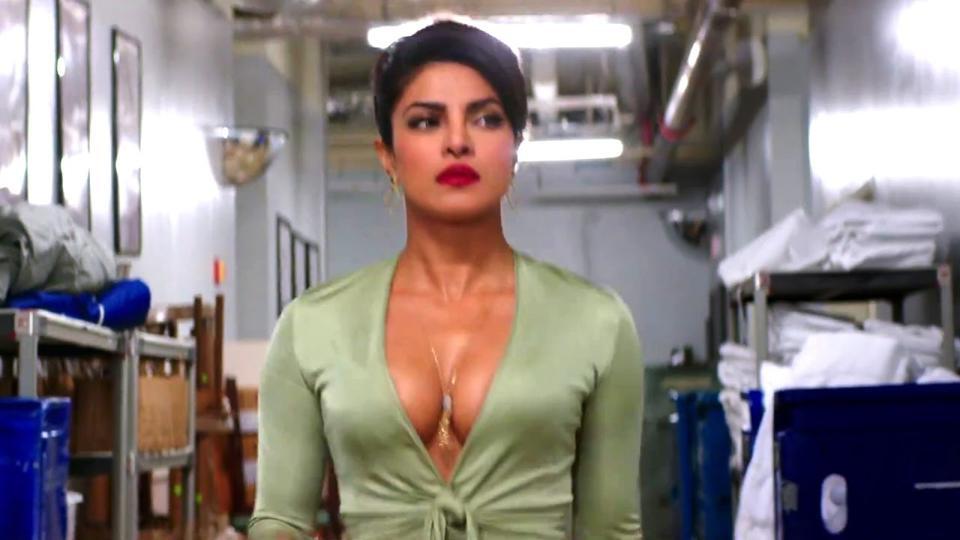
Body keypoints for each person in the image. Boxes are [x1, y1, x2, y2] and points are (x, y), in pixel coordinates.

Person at [248, 19, 644, 540]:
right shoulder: (311, 327)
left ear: (515, 149)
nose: (458, 141)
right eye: (426, 122)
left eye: (486, 119)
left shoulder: (596, 323)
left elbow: (611, 529)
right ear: (388, 156)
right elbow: (279, 520)